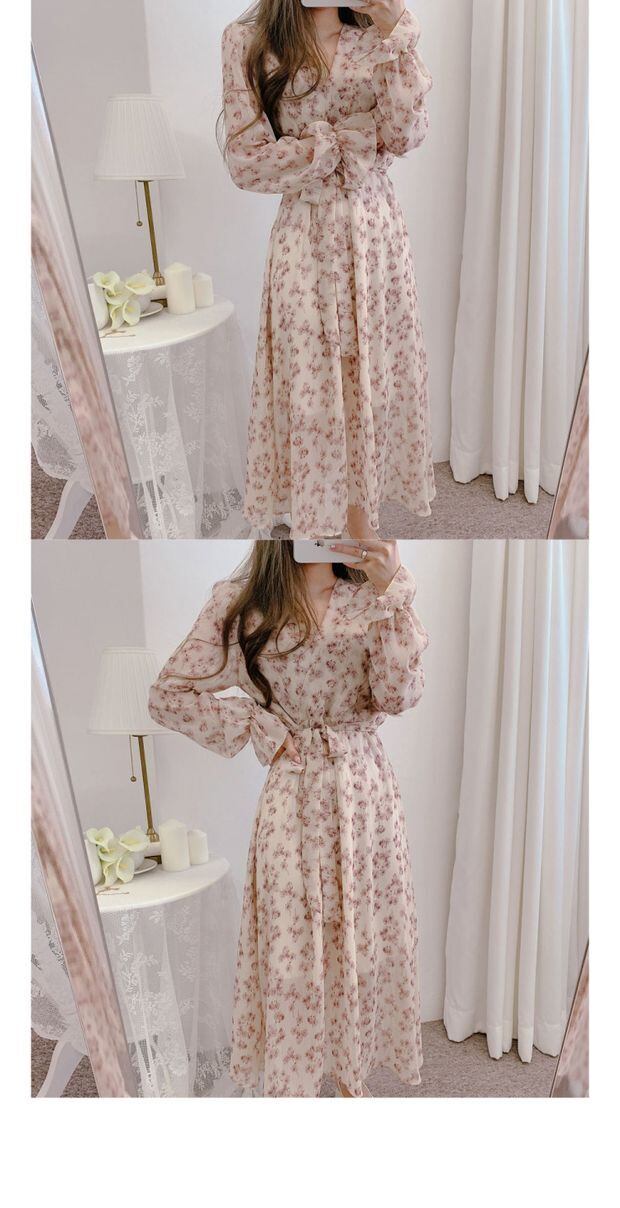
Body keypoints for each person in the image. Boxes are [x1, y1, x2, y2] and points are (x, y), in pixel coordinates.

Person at [148, 538, 428, 1097]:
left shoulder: (373, 598)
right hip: (292, 800)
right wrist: (257, 726)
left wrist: (391, 588)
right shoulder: (245, 605)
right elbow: (167, 695)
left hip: (365, 800)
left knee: (363, 939)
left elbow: (398, 696)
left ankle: (350, 1082)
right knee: (292, 949)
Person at [221, 4, 434, 535]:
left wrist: (395, 29)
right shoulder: (249, 41)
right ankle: (317, 532)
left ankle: (361, 533)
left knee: (372, 385)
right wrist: (336, 144)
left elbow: (405, 134)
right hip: (305, 242)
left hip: (376, 238)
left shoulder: (381, 37)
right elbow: (246, 161)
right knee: (312, 392)